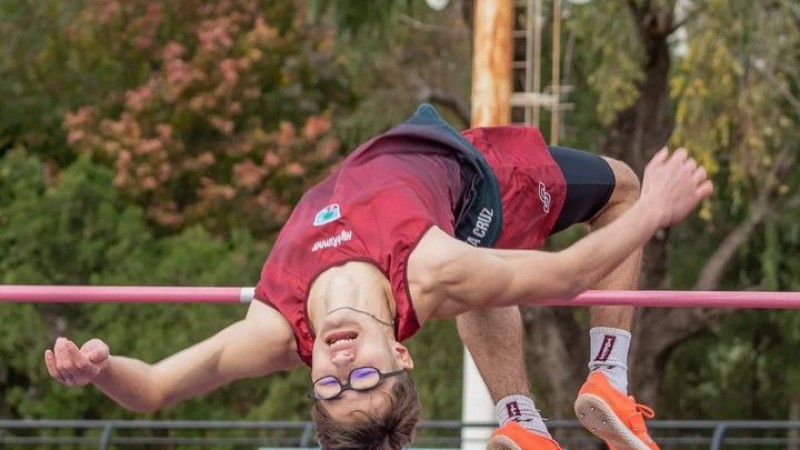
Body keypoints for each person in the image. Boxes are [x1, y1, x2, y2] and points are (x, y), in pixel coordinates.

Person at [44, 104, 712, 450]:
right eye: (363, 375)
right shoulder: (431, 271)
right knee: (620, 190)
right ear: (399, 354)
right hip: (476, 179)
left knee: (480, 279)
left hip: (423, 182)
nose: (339, 362)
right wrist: (654, 207)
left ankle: (521, 422)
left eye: (330, 385)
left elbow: (156, 388)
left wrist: (100, 370)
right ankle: (608, 378)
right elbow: (568, 276)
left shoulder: (278, 329)